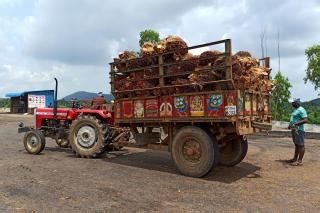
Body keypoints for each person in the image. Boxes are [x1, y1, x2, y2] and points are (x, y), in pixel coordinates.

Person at [286, 98, 308, 166]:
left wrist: (295, 124)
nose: (292, 104)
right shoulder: (296, 110)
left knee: (301, 145)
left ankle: (299, 161)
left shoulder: (302, 109)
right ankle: (295, 159)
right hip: (294, 130)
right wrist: (290, 125)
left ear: (297, 103)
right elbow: (294, 119)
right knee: (297, 145)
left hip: (299, 130)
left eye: (293, 102)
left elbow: (305, 120)